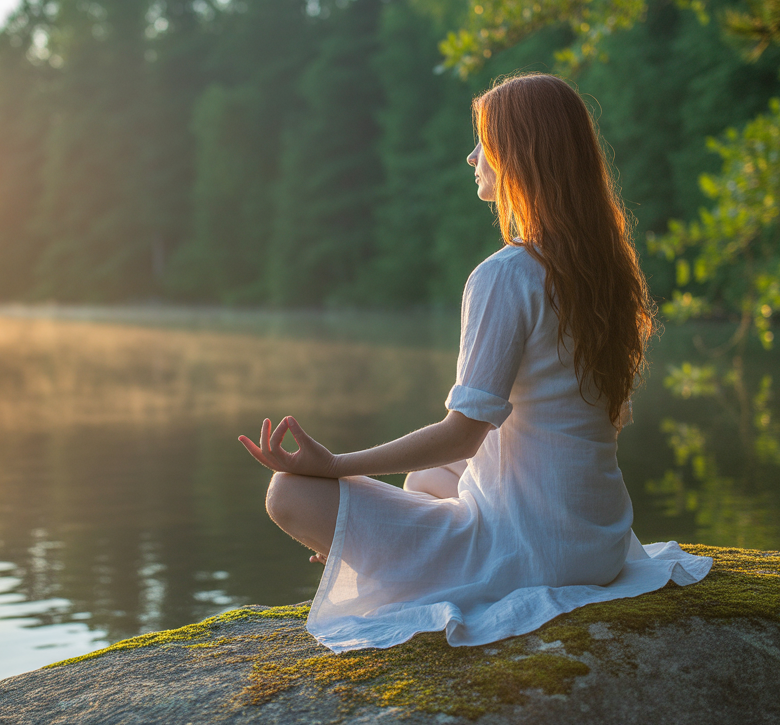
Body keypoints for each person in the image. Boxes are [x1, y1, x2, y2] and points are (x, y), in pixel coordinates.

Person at [239, 72, 711, 653]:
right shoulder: (606, 272)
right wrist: (362, 521)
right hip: (601, 539)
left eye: (483, 144)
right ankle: (383, 547)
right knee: (425, 482)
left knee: (288, 493)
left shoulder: (506, 275)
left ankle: (389, 554)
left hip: (539, 553)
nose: (472, 158)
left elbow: (462, 436)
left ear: (518, 156)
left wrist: (334, 466)